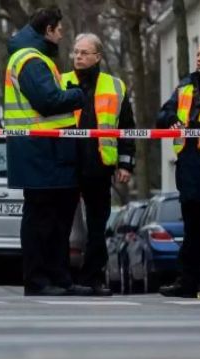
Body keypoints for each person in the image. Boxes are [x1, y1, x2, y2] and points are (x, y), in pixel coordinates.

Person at [4, 7, 91, 296]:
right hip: (40, 152)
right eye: (59, 29)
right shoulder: (30, 60)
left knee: (57, 219)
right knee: (42, 219)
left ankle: (59, 278)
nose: (62, 34)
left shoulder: (35, 58)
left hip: (50, 152)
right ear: (48, 30)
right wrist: (78, 94)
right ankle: (39, 280)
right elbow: (48, 101)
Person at [61, 33, 136, 296]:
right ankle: (63, 279)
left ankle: (92, 278)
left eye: (84, 52)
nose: (78, 57)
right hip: (66, 164)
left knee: (96, 226)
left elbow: (127, 128)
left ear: (97, 56)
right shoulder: (61, 82)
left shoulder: (115, 86)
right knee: (62, 225)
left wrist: (126, 164)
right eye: (75, 52)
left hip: (99, 165)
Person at [156, 41, 200, 297]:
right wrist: (172, 120)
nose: (199, 59)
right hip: (190, 169)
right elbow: (164, 114)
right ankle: (187, 281)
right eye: (198, 54)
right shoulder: (185, 85)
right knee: (192, 230)